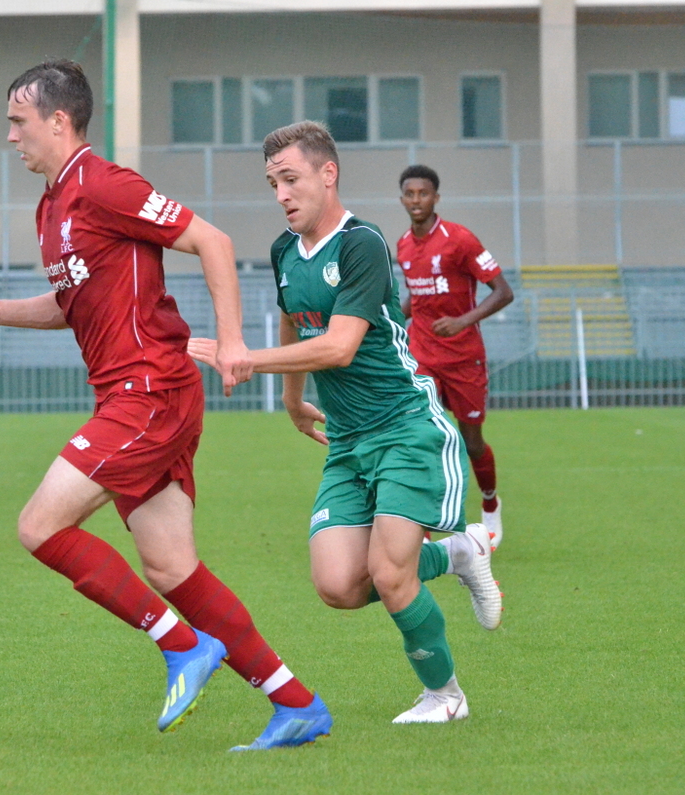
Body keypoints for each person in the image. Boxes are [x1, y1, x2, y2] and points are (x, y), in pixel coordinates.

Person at [0, 60, 330, 751]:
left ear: (58, 121)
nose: (10, 137)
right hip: (134, 393)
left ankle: (180, 646)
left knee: (39, 526)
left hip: (150, 389)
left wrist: (232, 341)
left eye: (18, 123)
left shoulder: (103, 184)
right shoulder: (51, 206)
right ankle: (296, 703)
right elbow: (70, 305)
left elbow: (213, 240)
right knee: (171, 569)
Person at [188, 122, 501, 724]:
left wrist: (244, 357)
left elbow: (338, 346)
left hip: (405, 425)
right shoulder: (285, 250)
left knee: (388, 573)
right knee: (338, 585)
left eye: (291, 179)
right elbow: (293, 319)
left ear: (327, 174)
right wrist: (290, 399)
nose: (281, 194)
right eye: (273, 183)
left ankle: (445, 695)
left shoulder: (363, 244)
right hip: (349, 440)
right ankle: (459, 553)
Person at [397, 165, 514, 549]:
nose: (417, 200)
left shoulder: (459, 239)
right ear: (402, 199)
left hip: (464, 358)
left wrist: (464, 320)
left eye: (423, 193)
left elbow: (502, 292)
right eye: (410, 193)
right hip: (422, 356)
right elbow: (418, 296)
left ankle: (490, 504)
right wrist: (391, 318)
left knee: (472, 441)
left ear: (436, 198)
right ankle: (426, 524)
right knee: (424, 438)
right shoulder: (402, 245)